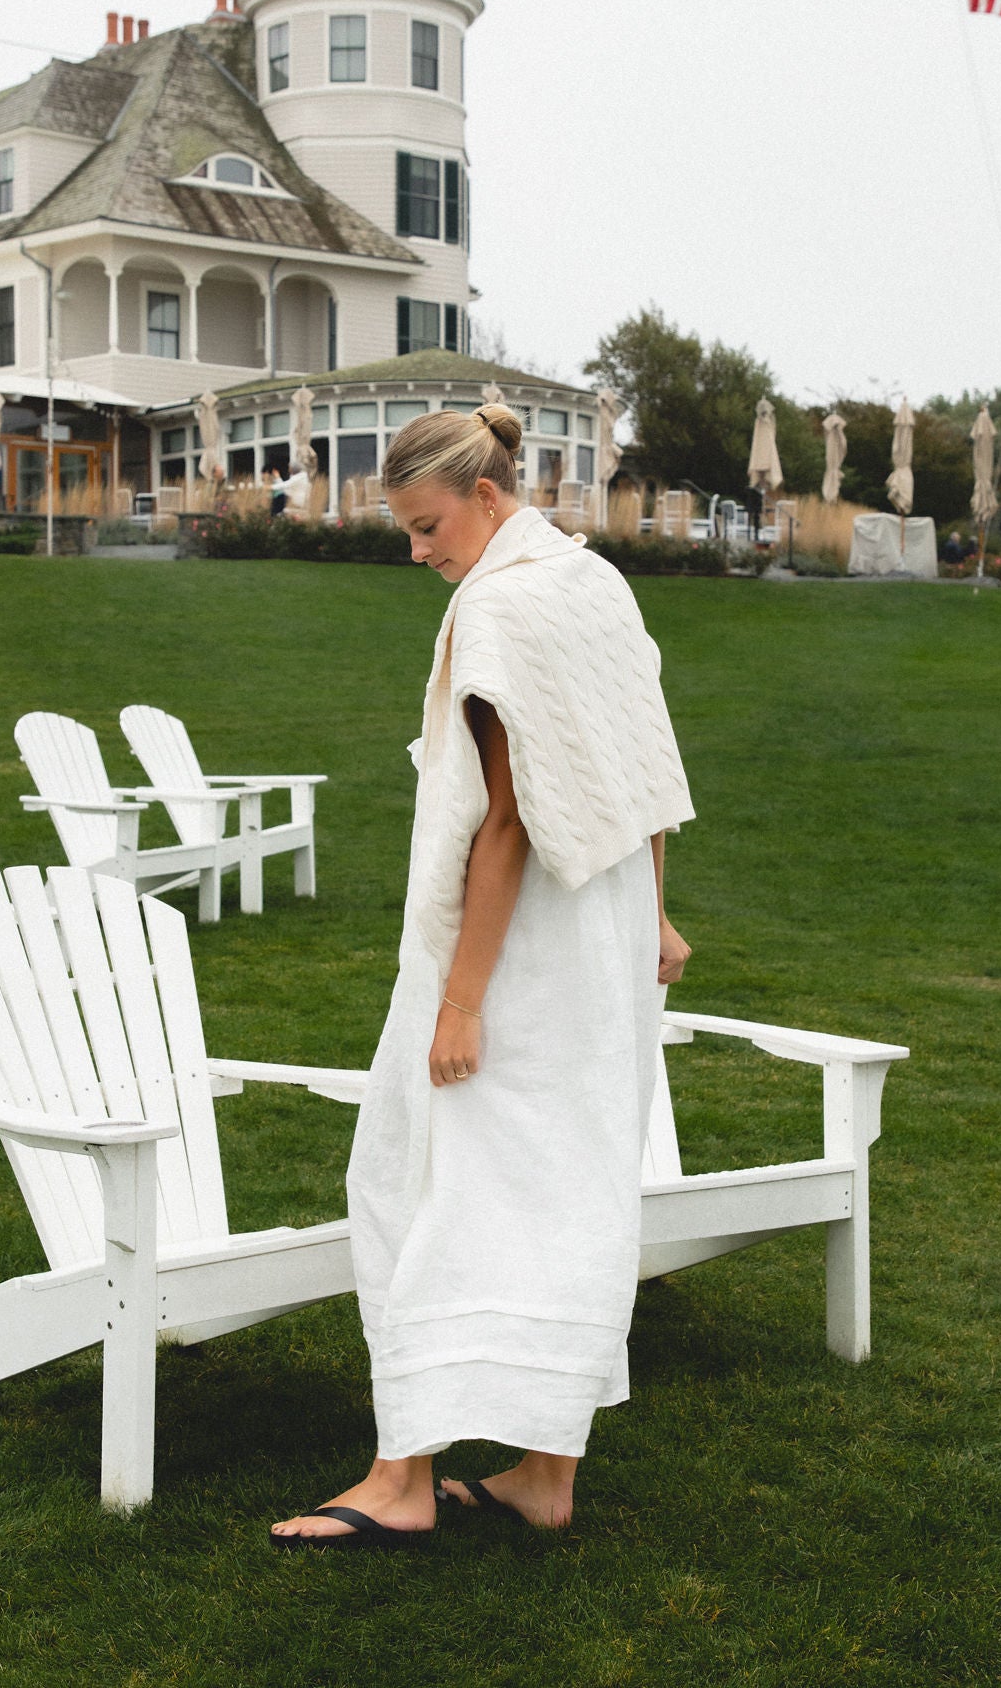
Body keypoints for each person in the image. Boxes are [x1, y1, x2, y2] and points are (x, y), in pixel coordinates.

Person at [271, 404, 695, 1549]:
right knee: (564, 1183)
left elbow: (506, 820)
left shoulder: (501, 605)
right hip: (602, 928)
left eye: (426, 526)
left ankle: (400, 1475)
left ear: (486, 494)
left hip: (524, 950)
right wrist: (655, 913)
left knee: (410, 1175)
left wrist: (459, 1000)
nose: (418, 552)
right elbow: (641, 764)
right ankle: (544, 1473)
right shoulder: (591, 580)